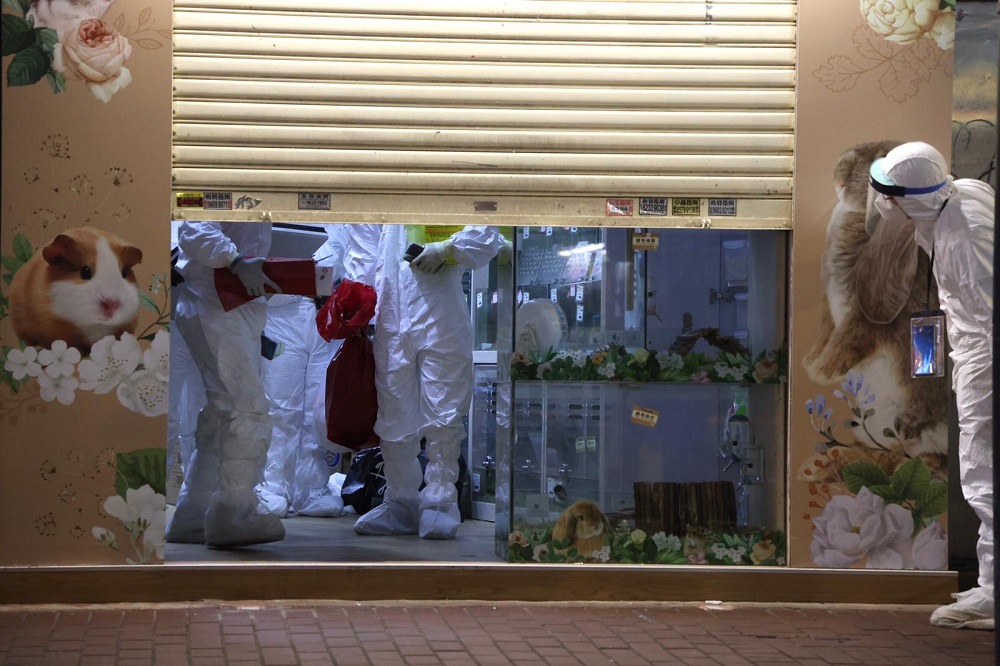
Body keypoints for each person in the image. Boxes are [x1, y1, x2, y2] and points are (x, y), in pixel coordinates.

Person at [867, 141, 995, 630]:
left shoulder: (967, 240)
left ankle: (992, 594)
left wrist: (976, 379)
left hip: (984, 362)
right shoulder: (960, 196)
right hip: (974, 356)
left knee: (983, 474)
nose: (883, 202)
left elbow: (986, 319)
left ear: (913, 200)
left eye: (891, 195)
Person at [344, 224, 502, 539]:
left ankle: (440, 504)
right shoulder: (383, 192)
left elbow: (486, 232)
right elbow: (362, 244)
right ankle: (400, 503)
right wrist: (357, 303)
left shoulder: (444, 182)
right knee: (393, 414)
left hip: (439, 309)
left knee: (443, 413)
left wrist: (448, 248)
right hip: (389, 311)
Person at [166, 222, 286, 548]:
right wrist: (234, 261)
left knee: (223, 411)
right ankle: (235, 513)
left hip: (221, 304)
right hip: (217, 304)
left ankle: (195, 513)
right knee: (247, 409)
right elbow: (195, 227)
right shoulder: (222, 175)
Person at [257, 225, 347, 518]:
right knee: (281, 407)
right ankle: (274, 486)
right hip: (281, 315)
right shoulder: (270, 216)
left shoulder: (342, 220)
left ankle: (312, 488)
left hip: (325, 315)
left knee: (317, 411)